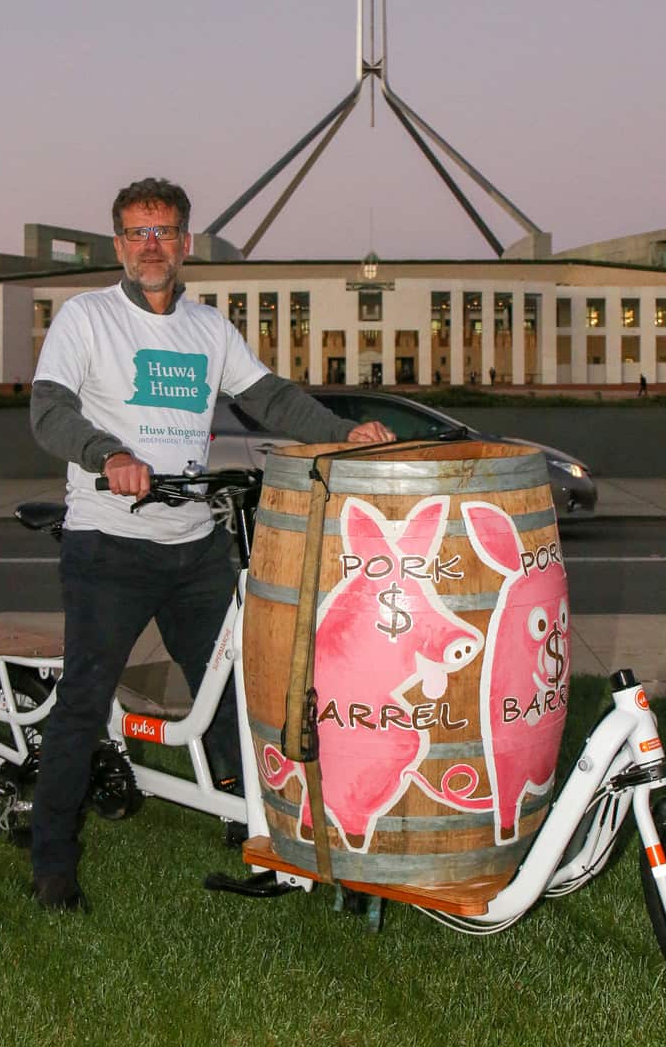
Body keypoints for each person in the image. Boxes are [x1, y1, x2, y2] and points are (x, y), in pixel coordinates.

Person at [28, 177, 394, 911]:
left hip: (194, 544)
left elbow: (269, 398)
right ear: (120, 246)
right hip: (111, 543)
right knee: (84, 699)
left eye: (163, 232)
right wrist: (107, 455)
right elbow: (48, 409)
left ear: (186, 243)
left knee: (234, 687)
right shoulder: (87, 318)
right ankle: (53, 864)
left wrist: (340, 432)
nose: (151, 246)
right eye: (137, 233)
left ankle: (249, 818)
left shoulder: (207, 329)